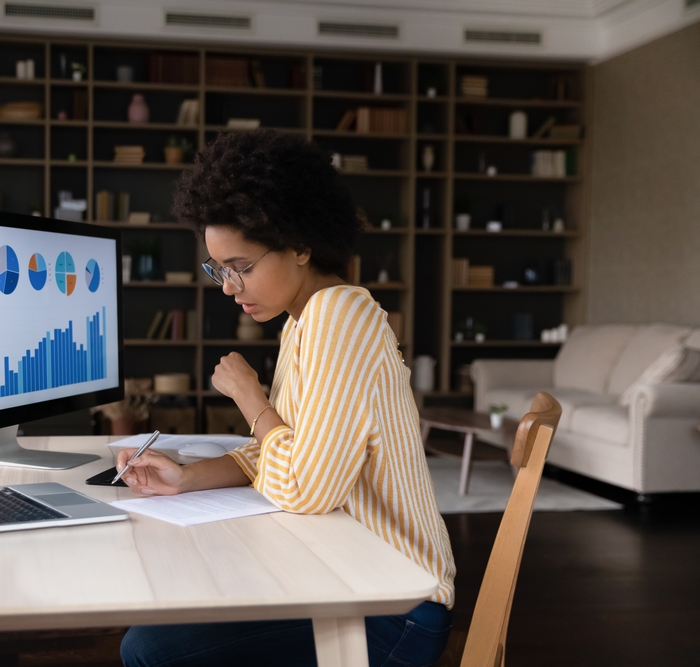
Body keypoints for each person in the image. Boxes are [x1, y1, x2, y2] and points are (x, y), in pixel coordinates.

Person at [117, 130, 456, 667]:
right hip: (350, 574)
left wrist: (250, 397)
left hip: (396, 604)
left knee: (150, 650)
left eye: (242, 268)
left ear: (301, 244)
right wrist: (187, 478)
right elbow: (285, 449)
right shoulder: (303, 321)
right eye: (219, 270)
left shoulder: (338, 317)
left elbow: (304, 487)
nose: (229, 287)